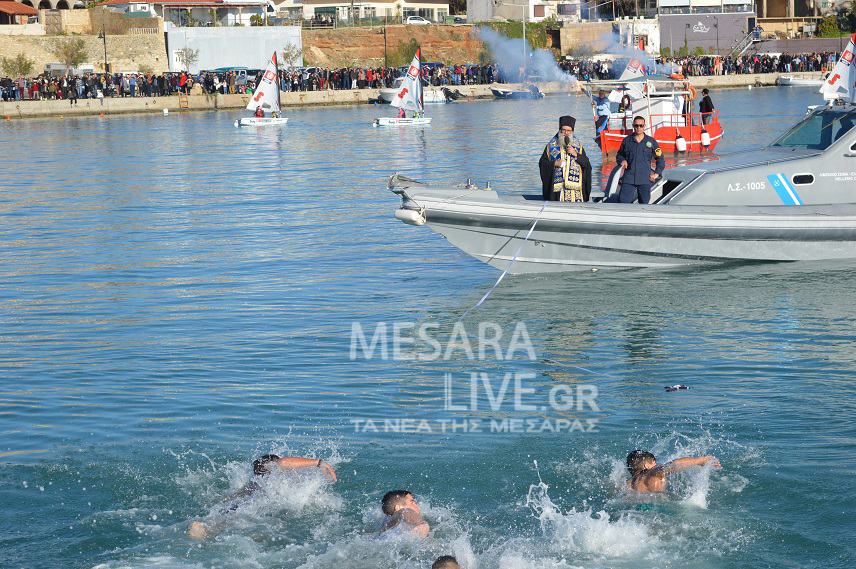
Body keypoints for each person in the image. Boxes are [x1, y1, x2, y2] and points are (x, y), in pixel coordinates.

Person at [187, 454, 336, 540]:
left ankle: (202, 528)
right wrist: (320, 463)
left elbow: (228, 498)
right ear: (272, 468)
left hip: (240, 506)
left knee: (225, 519)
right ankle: (204, 530)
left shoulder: (252, 484)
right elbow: (284, 462)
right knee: (238, 521)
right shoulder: (274, 482)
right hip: (257, 509)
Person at [538, 115, 593, 202]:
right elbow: (542, 164)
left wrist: (576, 154)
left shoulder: (578, 147)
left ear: (572, 131)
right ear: (560, 130)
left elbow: (587, 165)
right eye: (563, 130)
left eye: (568, 131)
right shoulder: (551, 146)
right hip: (558, 191)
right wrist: (554, 163)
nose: (566, 133)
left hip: (576, 191)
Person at [614, 116, 665, 204]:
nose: (638, 128)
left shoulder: (651, 142)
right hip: (629, 178)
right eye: (636, 125)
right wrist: (622, 160)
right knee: (623, 203)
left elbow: (660, 158)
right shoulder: (627, 141)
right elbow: (619, 155)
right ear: (633, 126)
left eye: (641, 125)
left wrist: (656, 173)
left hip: (645, 179)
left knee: (644, 204)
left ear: (644, 126)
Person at [626, 450, 721, 493]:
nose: (656, 464)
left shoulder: (628, 483)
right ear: (646, 465)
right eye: (653, 462)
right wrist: (701, 460)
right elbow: (673, 465)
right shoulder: (653, 472)